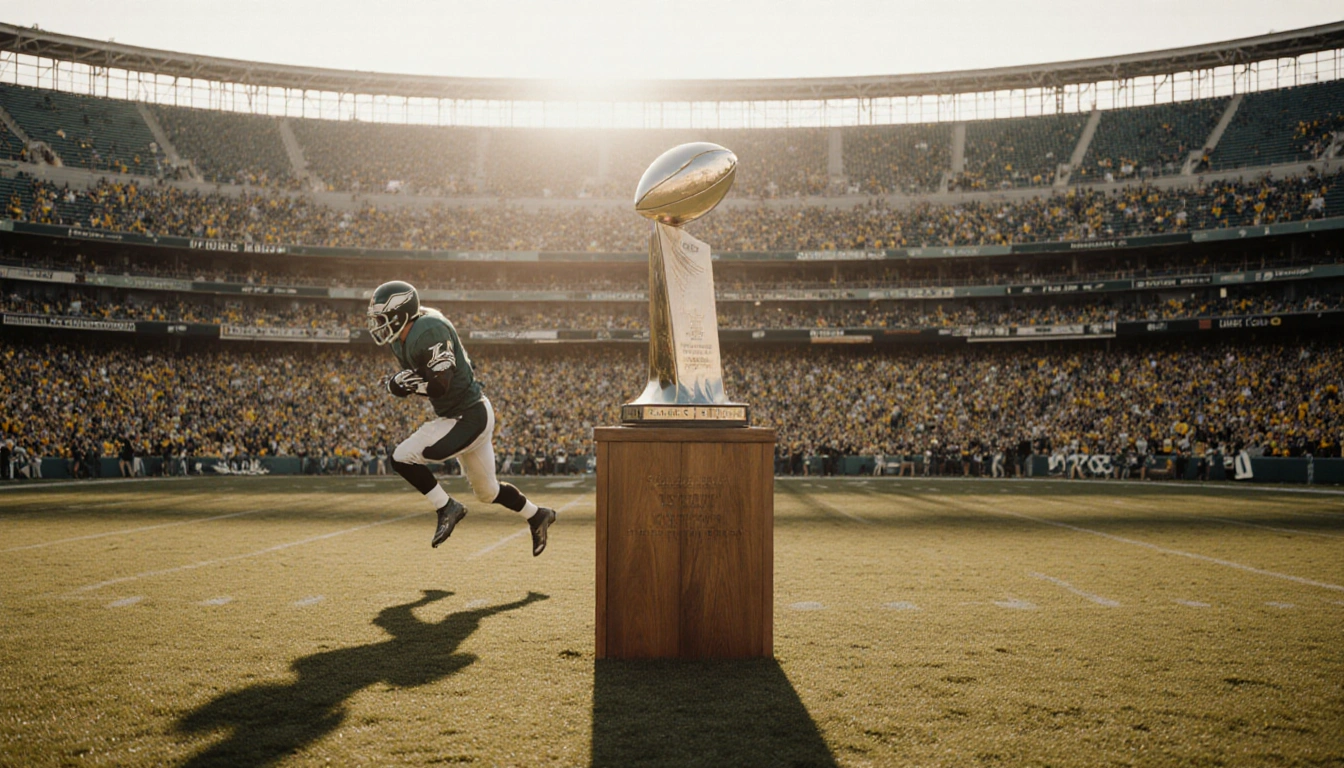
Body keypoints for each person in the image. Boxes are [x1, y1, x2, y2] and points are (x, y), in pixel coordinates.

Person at [367, 280, 556, 556]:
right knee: (488, 492)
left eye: (383, 318)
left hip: (468, 415)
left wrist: (405, 384)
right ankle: (537, 514)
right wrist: (401, 384)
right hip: (464, 415)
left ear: (401, 313)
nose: (379, 326)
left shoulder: (427, 330)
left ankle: (446, 507)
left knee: (402, 456)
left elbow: (440, 384)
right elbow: (421, 380)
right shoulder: (402, 340)